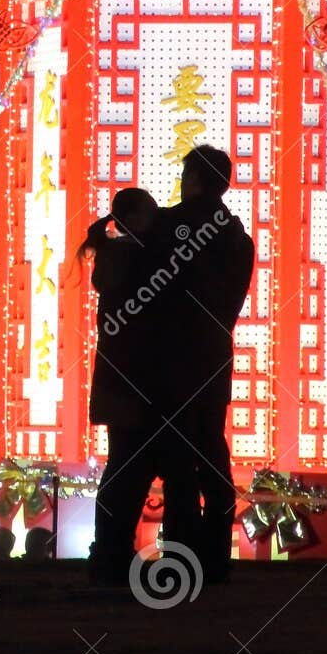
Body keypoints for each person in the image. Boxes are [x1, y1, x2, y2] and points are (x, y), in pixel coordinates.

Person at [156, 145, 255, 582]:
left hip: (172, 355)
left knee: (177, 455)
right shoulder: (238, 237)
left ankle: (180, 554)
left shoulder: (171, 225)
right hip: (215, 353)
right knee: (212, 446)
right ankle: (215, 552)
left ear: (195, 177)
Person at [81, 187, 166, 584]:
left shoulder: (115, 257)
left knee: (123, 466)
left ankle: (110, 548)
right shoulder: (134, 260)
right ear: (136, 219)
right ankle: (113, 549)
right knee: (131, 468)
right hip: (136, 379)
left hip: (119, 379)